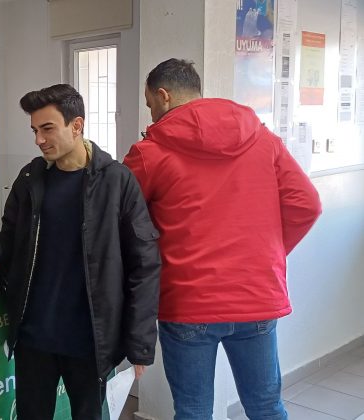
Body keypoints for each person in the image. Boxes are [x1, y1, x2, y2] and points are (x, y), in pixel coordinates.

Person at [0, 84, 161, 419]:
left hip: (90, 341)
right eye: (34, 131)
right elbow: (10, 242)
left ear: (77, 125)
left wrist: (140, 344)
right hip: (34, 338)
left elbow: (144, 264)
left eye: (47, 129)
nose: (39, 140)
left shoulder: (117, 182)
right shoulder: (31, 179)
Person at [123, 58, 322, 420]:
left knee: (194, 410)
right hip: (256, 294)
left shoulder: (149, 153)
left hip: (188, 300)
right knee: (266, 407)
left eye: (149, 103)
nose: (150, 113)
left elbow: (121, 220)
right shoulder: (264, 140)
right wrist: (269, 253)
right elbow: (306, 204)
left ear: (164, 96)